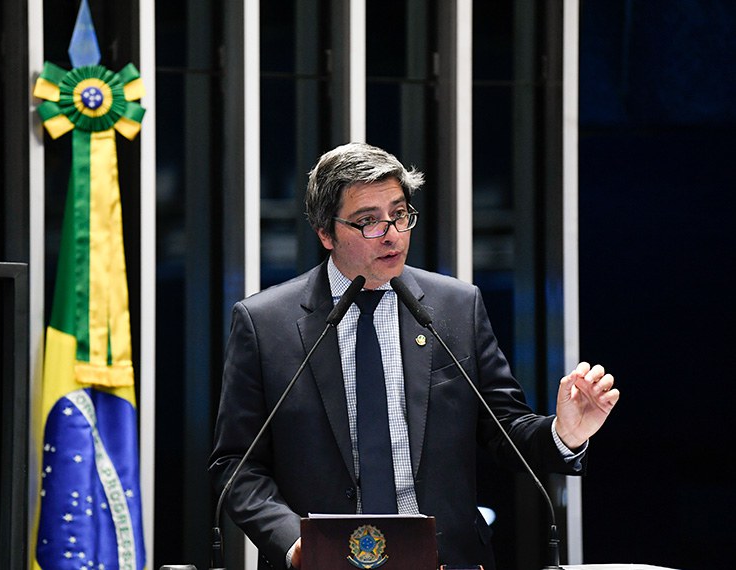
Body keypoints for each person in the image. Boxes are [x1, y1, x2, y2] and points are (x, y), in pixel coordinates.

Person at [208, 142, 619, 570]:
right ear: (325, 232)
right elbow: (236, 463)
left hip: (446, 560)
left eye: (399, 214)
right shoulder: (265, 323)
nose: (391, 234)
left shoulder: (456, 307)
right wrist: (295, 543)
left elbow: (505, 432)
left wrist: (564, 434)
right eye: (368, 221)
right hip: (321, 562)